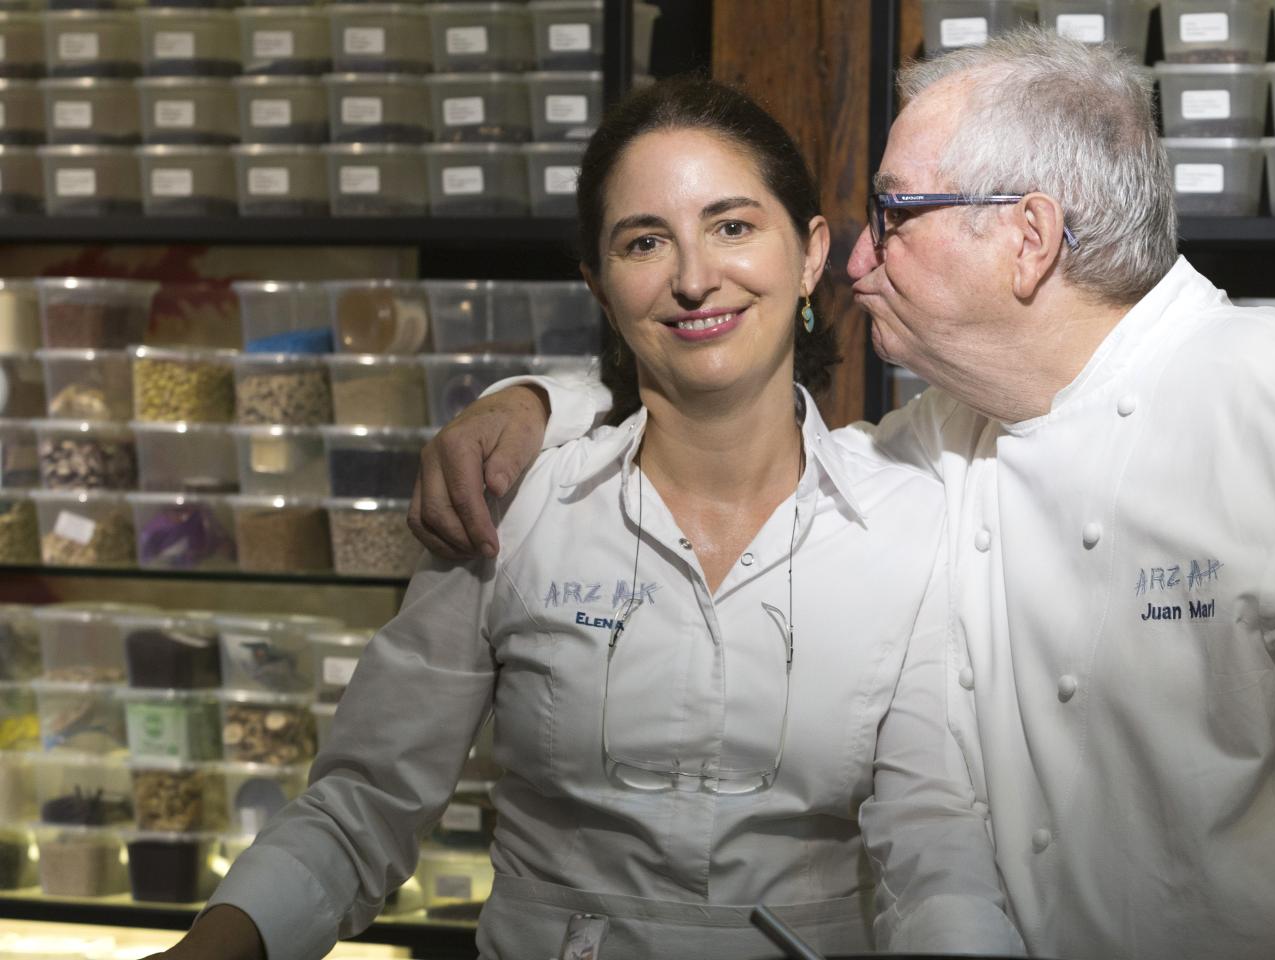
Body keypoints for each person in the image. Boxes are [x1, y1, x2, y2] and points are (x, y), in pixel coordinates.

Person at [414, 27, 1275, 960]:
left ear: (1027, 237)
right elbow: (731, 429)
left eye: (894, 216)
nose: (858, 261)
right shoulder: (950, 433)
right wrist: (539, 403)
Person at [155, 77, 1024, 960]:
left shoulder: (907, 515)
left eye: (732, 227)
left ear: (808, 256)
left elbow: (933, 842)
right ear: (600, 289)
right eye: (645, 242)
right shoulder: (516, 501)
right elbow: (361, 808)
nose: (694, 279)